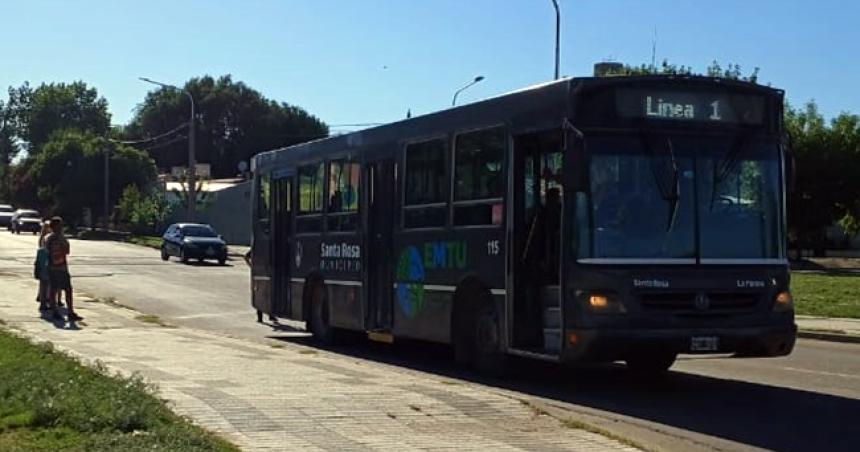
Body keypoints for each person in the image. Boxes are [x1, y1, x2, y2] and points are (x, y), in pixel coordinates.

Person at [45, 217, 82, 322]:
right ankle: (56, 311)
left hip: (59, 266)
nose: (61, 227)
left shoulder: (49, 238)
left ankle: (69, 312)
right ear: (55, 226)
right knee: (55, 289)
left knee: (65, 289)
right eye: (60, 225)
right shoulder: (54, 238)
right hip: (56, 267)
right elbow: (66, 250)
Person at [244, 249, 276, 323]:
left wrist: (251, 266)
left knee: (265, 294)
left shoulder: (259, 247)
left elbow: (246, 257)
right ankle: (263, 316)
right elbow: (246, 257)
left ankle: (268, 315)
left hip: (262, 274)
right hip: (261, 274)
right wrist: (251, 266)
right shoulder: (261, 248)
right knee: (263, 294)